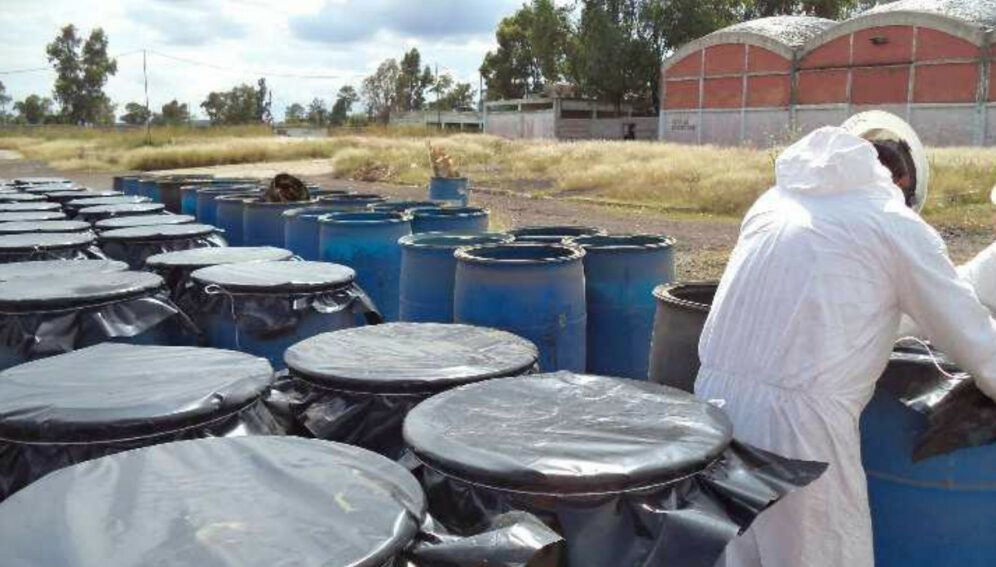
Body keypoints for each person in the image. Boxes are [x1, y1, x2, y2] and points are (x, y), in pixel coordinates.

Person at [698, 123, 996, 567]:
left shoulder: (774, 203)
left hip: (714, 409)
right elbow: (976, 341)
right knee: (822, 555)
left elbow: (836, 308)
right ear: (901, 182)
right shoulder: (891, 224)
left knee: (738, 555)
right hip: (800, 432)